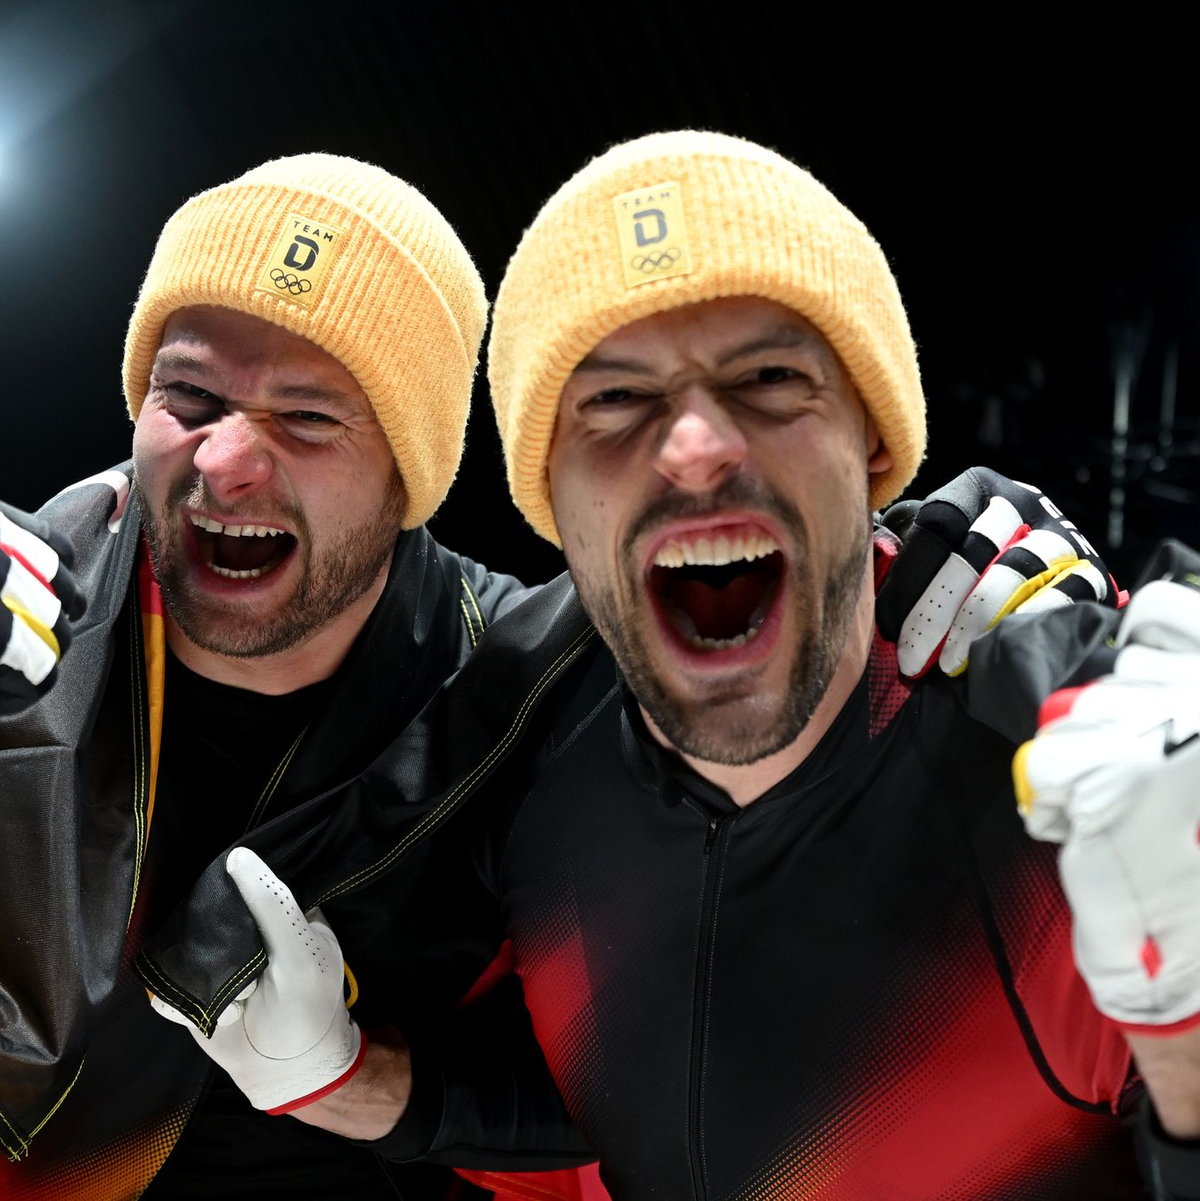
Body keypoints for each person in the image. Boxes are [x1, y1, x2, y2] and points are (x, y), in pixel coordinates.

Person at [149, 131, 1200, 1199]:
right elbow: (612, 1110)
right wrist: (351, 1082)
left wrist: (1188, 1043)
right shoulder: (520, 776)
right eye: (614, 400)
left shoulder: (1070, 768)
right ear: (551, 497)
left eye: (770, 377)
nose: (695, 446)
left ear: (875, 444)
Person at [0, 152, 539, 1201]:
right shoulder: (32, 610)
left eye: (307, 416)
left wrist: (362, 1082)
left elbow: (690, 1077)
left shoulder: (519, 688)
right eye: (191, 395)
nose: (223, 461)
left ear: (410, 471)